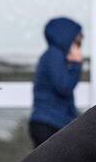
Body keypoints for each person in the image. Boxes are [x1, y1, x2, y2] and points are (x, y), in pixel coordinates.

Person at [30, 17, 83, 147]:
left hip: (50, 123)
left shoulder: (54, 56)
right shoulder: (55, 55)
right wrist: (76, 65)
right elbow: (64, 87)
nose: (77, 47)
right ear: (65, 37)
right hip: (49, 124)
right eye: (76, 42)